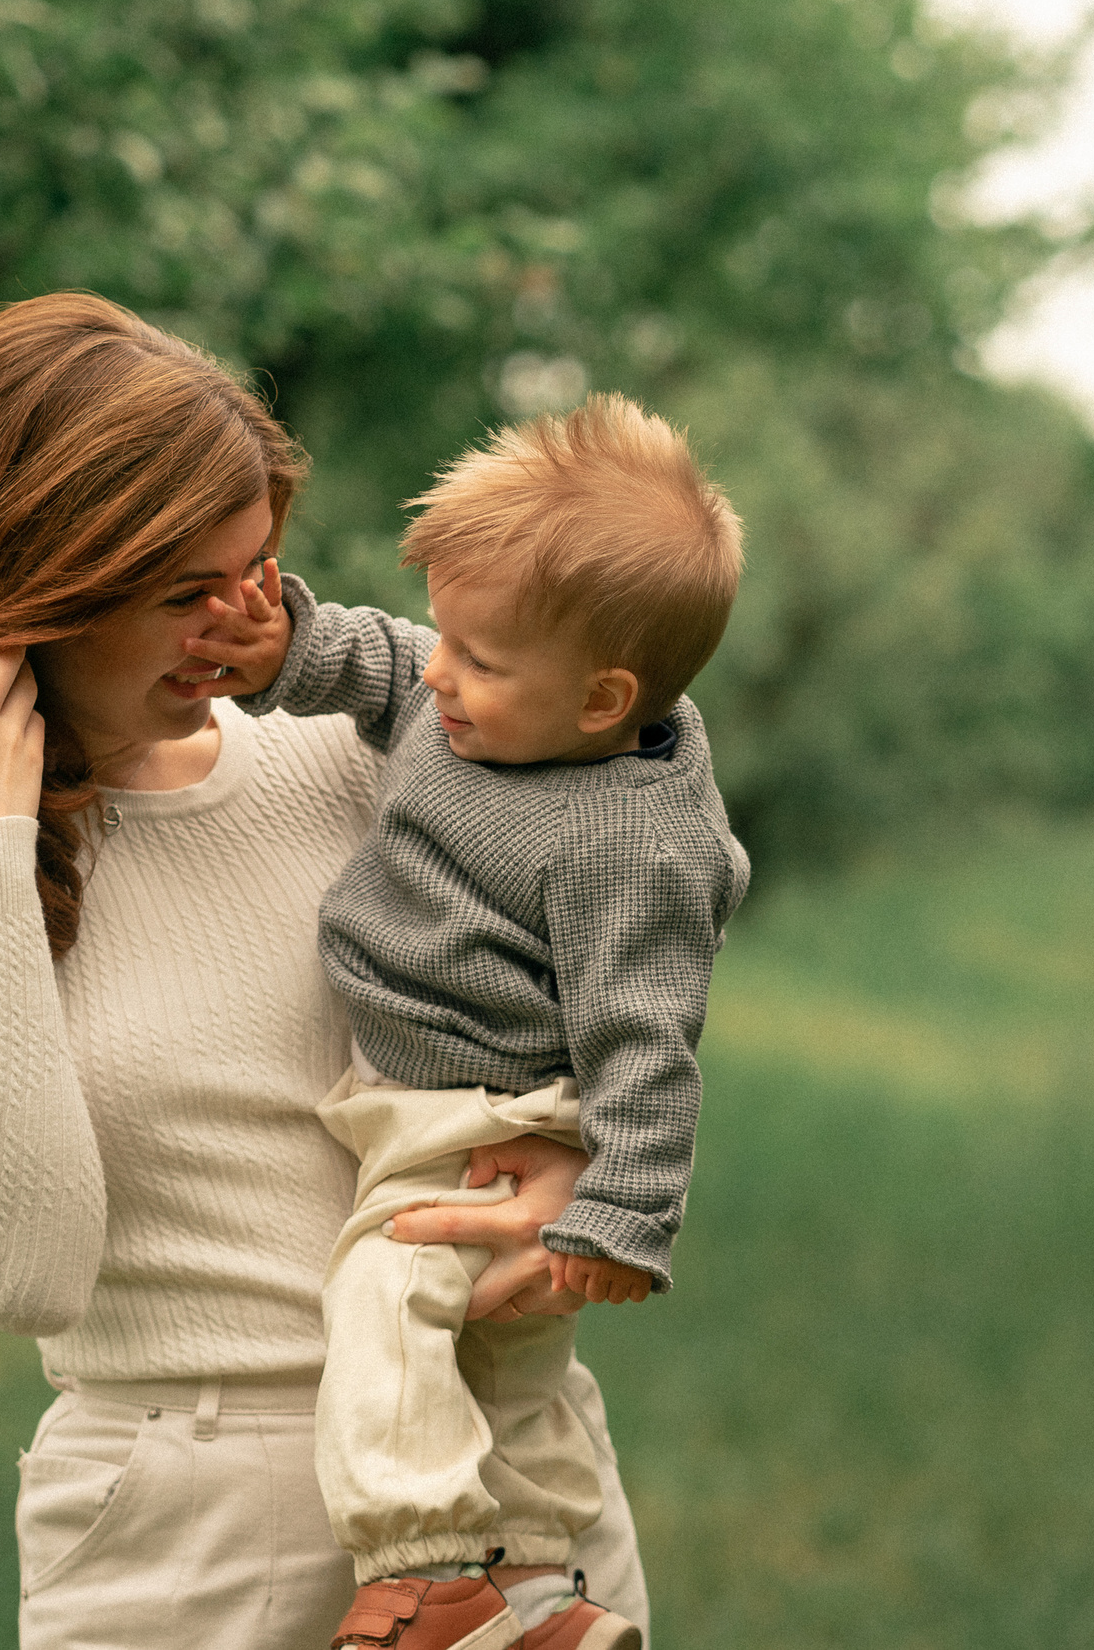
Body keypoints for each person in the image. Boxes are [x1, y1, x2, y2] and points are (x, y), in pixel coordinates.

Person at [0, 292, 653, 1649]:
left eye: (255, 567)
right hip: (179, 1539)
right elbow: (26, 1269)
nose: (237, 619)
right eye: (183, 589)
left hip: (496, 1489)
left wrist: (579, 1154)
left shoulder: (359, 753)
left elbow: (631, 844)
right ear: (17, 586)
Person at [179, 396, 747, 1650]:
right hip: (436, 1088)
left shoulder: (627, 842)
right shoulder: (478, 707)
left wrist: (624, 1215)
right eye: (449, 637)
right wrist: (289, 648)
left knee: (386, 1293)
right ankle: (543, 1597)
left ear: (603, 700)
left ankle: (430, 1564)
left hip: (489, 1113)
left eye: (480, 660)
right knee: (506, 1372)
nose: (439, 672)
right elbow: (379, 662)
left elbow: (648, 1042)